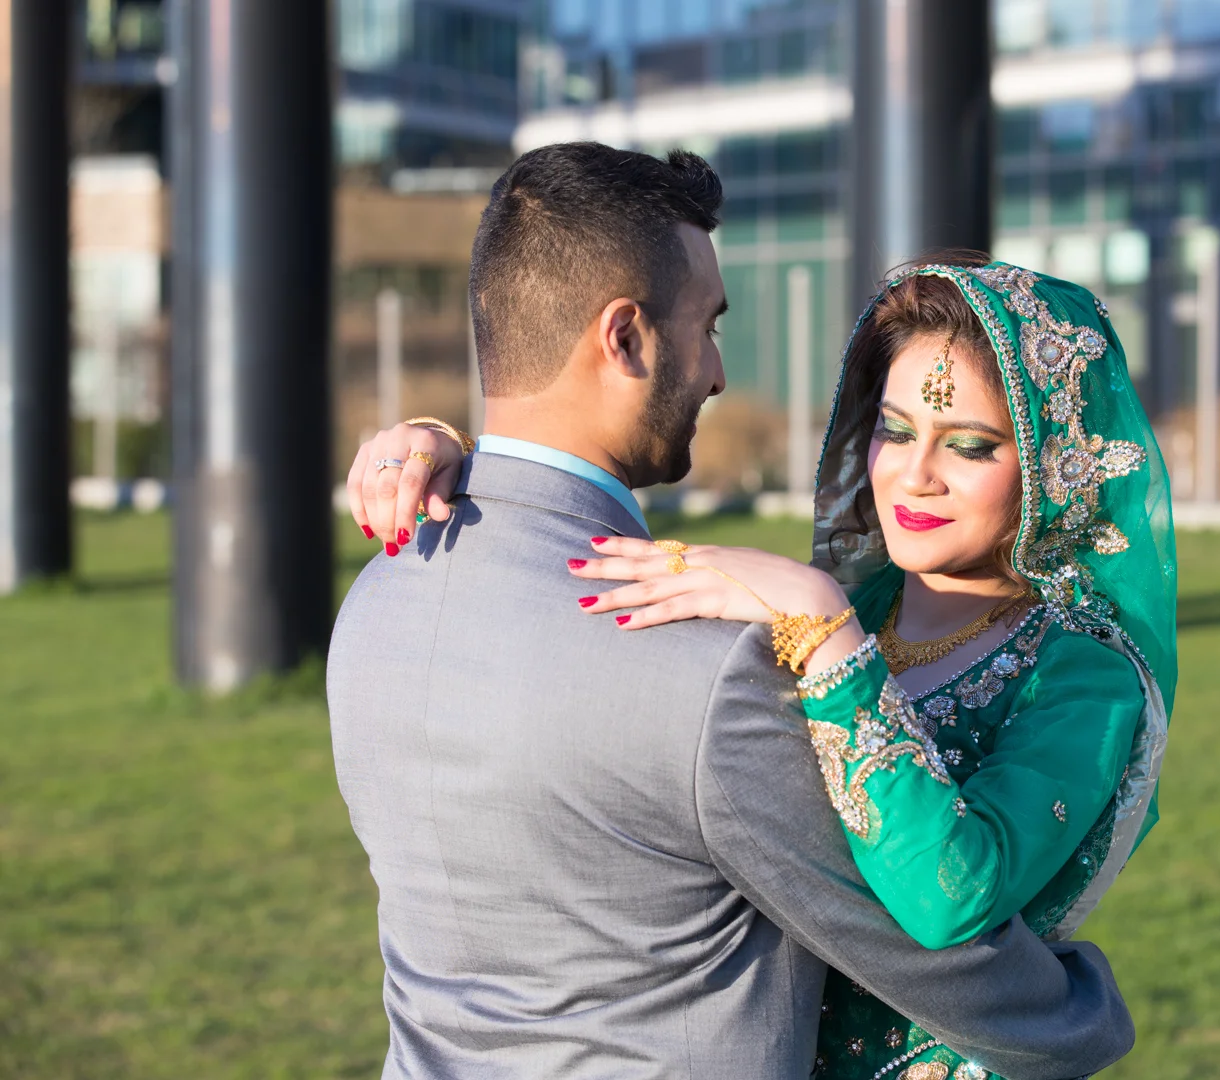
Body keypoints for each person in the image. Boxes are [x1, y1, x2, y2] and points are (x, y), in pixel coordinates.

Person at [329, 141, 1136, 1080]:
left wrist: (454, 451)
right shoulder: (709, 670)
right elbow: (904, 942)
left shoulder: (379, 594)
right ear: (624, 338)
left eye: (968, 445)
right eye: (707, 327)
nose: (716, 374)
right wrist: (1083, 1013)